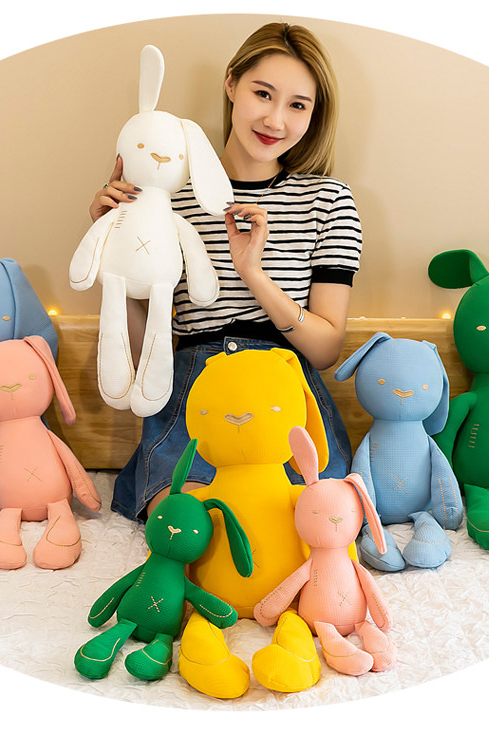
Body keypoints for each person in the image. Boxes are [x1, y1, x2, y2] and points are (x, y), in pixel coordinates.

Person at [88, 22, 362, 521]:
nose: (275, 119)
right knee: (189, 526)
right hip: (196, 385)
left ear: (313, 115)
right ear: (232, 83)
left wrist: (253, 273)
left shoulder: (327, 200)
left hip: (283, 388)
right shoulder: (169, 197)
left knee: (314, 519)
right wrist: (117, 259)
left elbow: (325, 350)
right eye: (263, 93)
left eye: (298, 105)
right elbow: (143, 349)